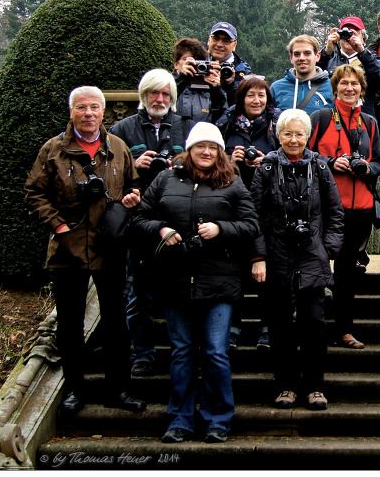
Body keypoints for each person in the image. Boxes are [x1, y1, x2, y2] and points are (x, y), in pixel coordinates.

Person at [132, 122, 259, 444]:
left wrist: (220, 229)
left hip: (220, 281)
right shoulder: (165, 179)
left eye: (212, 147)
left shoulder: (232, 182)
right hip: (175, 280)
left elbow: (250, 225)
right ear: (189, 150)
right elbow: (140, 218)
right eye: (200, 146)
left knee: (216, 352)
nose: (206, 152)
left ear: (220, 152)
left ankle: (218, 418)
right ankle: (180, 419)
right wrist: (161, 229)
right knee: (182, 352)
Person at [24, 86, 146, 416]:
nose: (88, 113)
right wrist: (59, 227)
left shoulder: (118, 147)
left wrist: (131, 200)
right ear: (71, 112)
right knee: (69, 325)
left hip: (110, 246)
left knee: (117, 324)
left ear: (103, 111)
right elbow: (34, 193)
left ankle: (118, 390)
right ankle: (74, 391)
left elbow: (134, 186)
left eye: (94, 107)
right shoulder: (53, 150)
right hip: (68, 249)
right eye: (81, 108)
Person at [250, 108, 344, 412]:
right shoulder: (265, 167)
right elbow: (253, 216)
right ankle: (285, 385)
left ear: (307, 136)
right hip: (276, 255)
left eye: (299, 133)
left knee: (314, 322)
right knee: (279, 325)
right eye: (287, 133)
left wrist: (328, 249)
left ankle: (316, 386)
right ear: (279, 136)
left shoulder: (319, 166)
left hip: (312, 254)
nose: (293, 139)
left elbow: (335, 212)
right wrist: (259, 255)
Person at [109, 68, 190, 377]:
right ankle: (142, 353)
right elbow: (109, 170)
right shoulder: (122, 128)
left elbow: (202, 162)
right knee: (138, 294)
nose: (159, 99)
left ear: (172, 97)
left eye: (165, 94)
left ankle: (179, 352)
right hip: (137, 219)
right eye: (153, 93)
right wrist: (132, 162)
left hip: (177, 217)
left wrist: (179, 163)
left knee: (176, 291)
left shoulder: (184, 126)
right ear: (143, 96)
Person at [307, 64, 380, 349]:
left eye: (355, 84)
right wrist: (330, 162)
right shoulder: (321, 117)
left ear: (362, 89)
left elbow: (379, 163)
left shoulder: (370, 123)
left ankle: (345, 330)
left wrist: (366, 168)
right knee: (316, 269)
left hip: (360, 207)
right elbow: (305, 154)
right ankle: (315, 330)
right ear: (335, 87)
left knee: (347, 275)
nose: (349, 88)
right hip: (326, 207)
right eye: (343, 84)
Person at [216, 76, 279, 348]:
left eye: (261, 96)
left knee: (269, 269)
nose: (256, 101)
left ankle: (267, 325)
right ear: (240, 99)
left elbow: (291, 159)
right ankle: (233, 324)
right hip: (233, 208)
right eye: (250, 95)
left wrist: (269, 160)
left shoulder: (277, 126)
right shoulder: (226, 127)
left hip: (269, 206)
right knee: (236, 268)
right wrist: (231, 162)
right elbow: (210, 166)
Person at [318, 16, 380, 121]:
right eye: (345, 33)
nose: (349, 37)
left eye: (355, 32)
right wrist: (327, 51)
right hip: (332, 119)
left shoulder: (373, 59)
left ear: (363, 38)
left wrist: (362, 52)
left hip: (363, 119)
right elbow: (313, 78)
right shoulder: (328, 58)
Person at [173, 38, 228, 131]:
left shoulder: (208, 89)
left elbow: (221, 117)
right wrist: (182, 78)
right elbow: (167, 99)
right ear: (176, 64)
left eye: (197, 62)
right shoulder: (169, 84)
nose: (192, 65)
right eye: (186, 60)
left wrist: (216, 89)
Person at [270, 34, 334, 114]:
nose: (302, 58)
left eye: (307, 53)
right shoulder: (276, 88)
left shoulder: (332, 87)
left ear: (317, 56)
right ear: (291, 58)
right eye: (297, 54)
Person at [207, 21, 252, 106]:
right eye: (215, 38)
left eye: (226, 41)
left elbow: (246, 108)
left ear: (234, 45)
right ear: (209, 40)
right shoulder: (195, 65)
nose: (219, 44)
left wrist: (230, 85)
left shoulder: (244, 74)